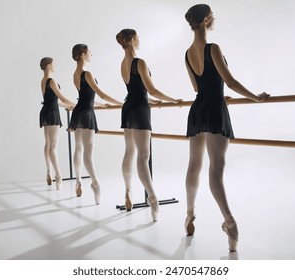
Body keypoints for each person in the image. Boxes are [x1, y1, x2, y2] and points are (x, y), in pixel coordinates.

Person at [184, 4, 269, 251]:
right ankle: (230, 223)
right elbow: (229, 81)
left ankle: (189, 216)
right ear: (207, 19)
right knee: (216, 170)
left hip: (198, 109)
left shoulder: (188, 53)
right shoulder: (213, 48)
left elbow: (198, 89)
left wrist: (216, 93)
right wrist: (255, 97)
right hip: (213, 110)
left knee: (194, 165)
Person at [116, 29, 182, 222]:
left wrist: (149, 101)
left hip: (128, 107)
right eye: (138, 36)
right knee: (143, 156)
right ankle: (152, 197)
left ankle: (128, 192)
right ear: (133, 39)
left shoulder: (123, 64)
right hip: (139, 110)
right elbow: (150, 89)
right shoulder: (140, 62)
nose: (140, 39)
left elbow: (136, 90)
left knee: (129, 152)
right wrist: (173, 100)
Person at [69, 44, 122, 204]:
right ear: (83, 55)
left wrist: (99, 105)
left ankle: (78, 181)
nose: (92, 53)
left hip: (79, 111)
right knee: (88, 151)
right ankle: (95, 182)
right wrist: (120, 103)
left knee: (78, 148)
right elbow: (101, 94)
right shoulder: (87, 73)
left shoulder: (75, 74)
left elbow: (86, 97)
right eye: (89, 52)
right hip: (86, 114)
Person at [39, 57, 75, 190]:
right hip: (52, 114)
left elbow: (54, 101)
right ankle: (58, 175)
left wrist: (70, 106)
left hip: (46, 111)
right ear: (48, 66)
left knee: (48, 144)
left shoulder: (43, 81)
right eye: (53, 64)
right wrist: (78, 105)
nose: (55, 66)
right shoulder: (51, 81)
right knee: (52, 146)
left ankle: (48, 172)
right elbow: (62, 98)